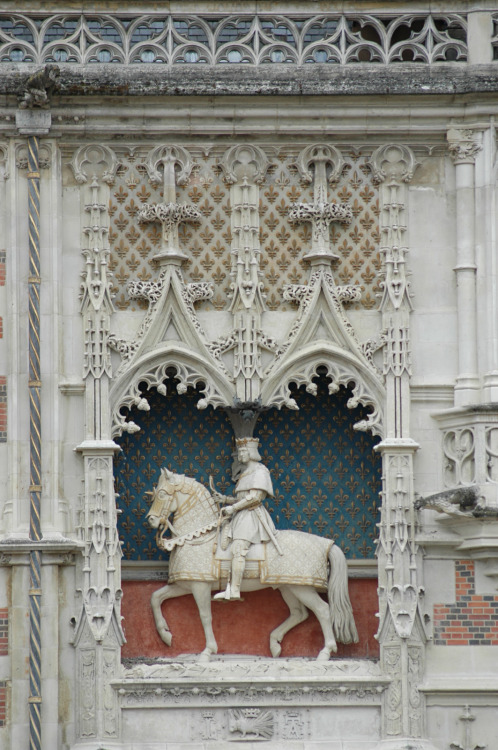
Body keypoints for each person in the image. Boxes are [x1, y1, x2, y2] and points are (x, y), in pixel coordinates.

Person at [213, 437, 281, 601]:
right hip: (240, 515)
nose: (239, 454)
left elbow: (254, 498)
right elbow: (242, 498)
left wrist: (232, 508)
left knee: (238, 548)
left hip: (252, 516)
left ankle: (234, 590)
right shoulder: (245, 473)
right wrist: (225, 500)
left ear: (251, 452)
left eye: (243, 451)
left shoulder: (260, 471)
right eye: (239, 451)